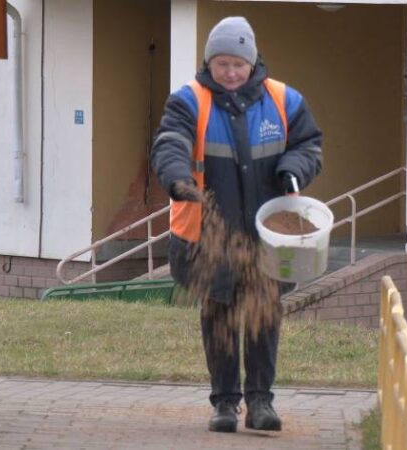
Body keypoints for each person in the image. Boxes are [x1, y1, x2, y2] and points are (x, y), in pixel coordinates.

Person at [150, 16, 322, 433]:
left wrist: (293, 169)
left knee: (264, 318)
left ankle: (261, 402)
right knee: (220, 319)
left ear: (252, 62)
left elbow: (309, 145)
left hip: (268, 237)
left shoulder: (284, 100)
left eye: (237, 65)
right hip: (209, 238)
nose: (229, 72)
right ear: (209, 62)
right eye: (221, 64)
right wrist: (178, 179)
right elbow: (170, 143)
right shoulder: (188, 101)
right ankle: (224, 404)